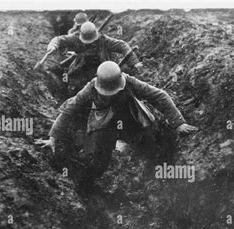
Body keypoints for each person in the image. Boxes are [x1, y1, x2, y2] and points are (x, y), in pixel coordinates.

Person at [35, 61, 197, 189]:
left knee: (150, 147)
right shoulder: (90, 88)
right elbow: (68, 110)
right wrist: (52, 137)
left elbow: (159, 96)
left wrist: (178, 123)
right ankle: (85, 188)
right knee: (99, 160)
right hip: (104, 124)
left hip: (131, 120)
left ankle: (154, 180)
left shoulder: (129, 82)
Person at [45, 22, 143, 95]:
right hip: (81, 68)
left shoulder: (104, 41)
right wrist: (53, 46)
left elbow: (122, 45)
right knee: (74, 89)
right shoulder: (75, 39)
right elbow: (59, 39)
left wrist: (134, 63)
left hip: (102, 68)